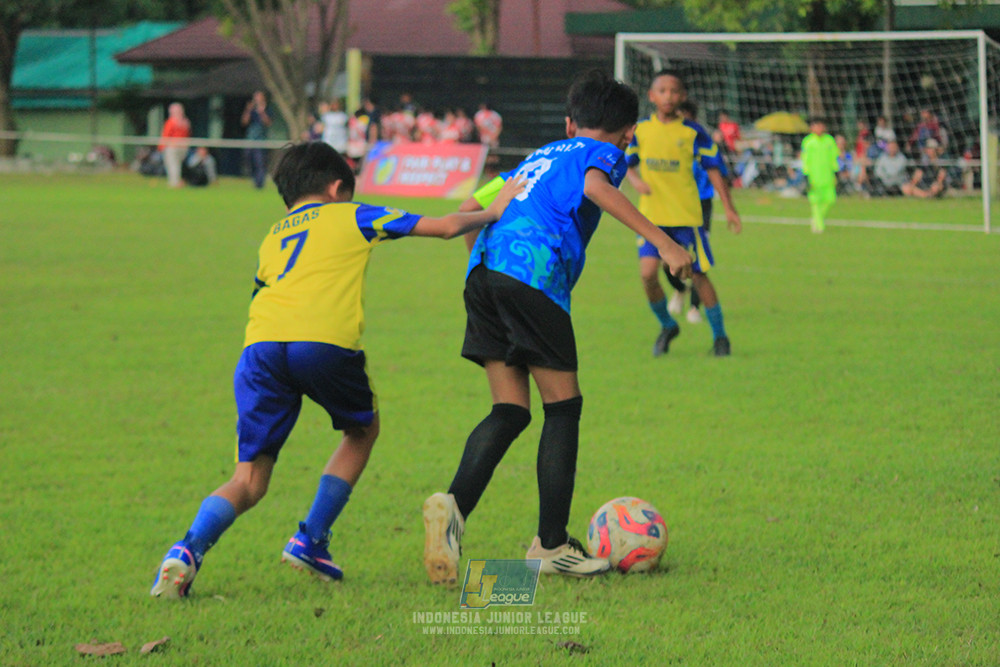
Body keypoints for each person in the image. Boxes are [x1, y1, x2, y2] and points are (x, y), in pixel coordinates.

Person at [150, 141, 525, 599]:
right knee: (361, 430)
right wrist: (494, 209)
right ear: (335, 187)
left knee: (248, 478)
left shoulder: (273, 234)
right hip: (321, 343)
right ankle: (310, 539)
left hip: (260, 349)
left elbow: (260, 293)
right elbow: (445, 227)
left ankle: (186, 551)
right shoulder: (353, 214)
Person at [422, 70, 693, 585]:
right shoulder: (603, 152)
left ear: (570, 121)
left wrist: (491, 274)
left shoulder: (536, 155)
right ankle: (549, 545)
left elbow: (468, 206)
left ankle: (452, 513)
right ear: (628, 133)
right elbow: (594, 185)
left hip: (483, 274)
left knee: (509, 410)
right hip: (533, 278)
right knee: (563, 408)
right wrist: (665, 243)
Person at [625, 70, 741, 358]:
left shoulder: (693, 132)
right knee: (648, 274)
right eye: (662, 90)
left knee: (699, 276)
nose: (669, 96)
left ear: (683, 97)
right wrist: (635, 180)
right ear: (651, 96)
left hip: (687, 219)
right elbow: (624, 160)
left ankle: (720, 338)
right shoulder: (640, 130)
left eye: (674, 91)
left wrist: (728, 208)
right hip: (651, 220)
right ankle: (667, 325)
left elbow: (714, 169)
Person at [662, 99, 735, 325]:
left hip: (701, 205)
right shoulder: (669, 142)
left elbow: (717, 170)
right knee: (668, 260)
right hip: (672, 205)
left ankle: (694, 307)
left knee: (696, 260)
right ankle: (680, 290)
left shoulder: (700, 140)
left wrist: (728, 206)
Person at [801, 117, 839, 233]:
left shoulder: (829, 140)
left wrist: (836, 172)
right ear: (812, 128)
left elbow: (834, 157)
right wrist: (806, 174)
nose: (818, 128)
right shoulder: (808, 141)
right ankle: (819, 225)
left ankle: (817, 219)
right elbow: (805, 159)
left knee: (830, 200)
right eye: (816, 126)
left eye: (821, 126)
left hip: (828, 176)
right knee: (815, 202)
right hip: (814, 176)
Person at [241, 90, 273, 189]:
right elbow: (244, 122)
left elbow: (268, 123)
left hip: (261, 140)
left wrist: (262, 112)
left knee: (260, 161)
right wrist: (248, 110)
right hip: (250, 139)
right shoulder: (251, 110)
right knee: (248, 159)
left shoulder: (267, 109)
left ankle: (260, 183)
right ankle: (252, 178)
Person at [158, 102, 191, 188]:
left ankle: (174, 182)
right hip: (183, 147)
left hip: (172, 147)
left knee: (173, 165)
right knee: (178, 165)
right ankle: (177, 181)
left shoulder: (171, 122)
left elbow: (166, 135)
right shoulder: (185, 122)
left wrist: (161, 146)